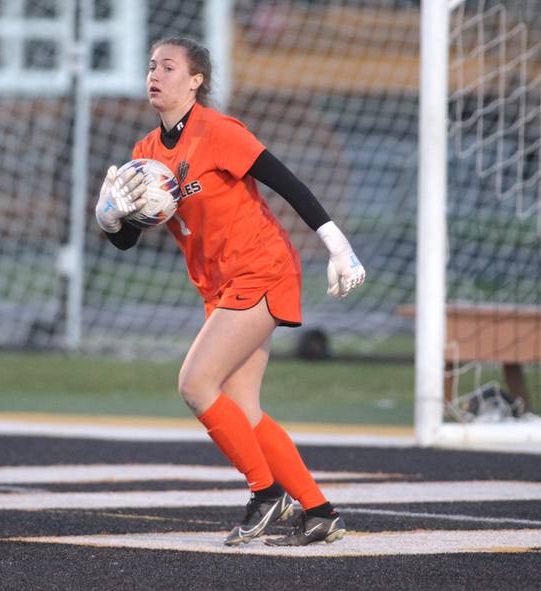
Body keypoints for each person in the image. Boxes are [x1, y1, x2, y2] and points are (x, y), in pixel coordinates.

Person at [94, 37, 365, 547]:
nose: (155, 74)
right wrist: (109, 220)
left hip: (262, 269)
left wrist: (337, 245)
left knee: (195, 383)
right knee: (244, 409)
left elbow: (286, 182)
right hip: (219, 285)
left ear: (196, 81)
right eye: (151, 65)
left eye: (169, 67)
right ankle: (319, 511)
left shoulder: (219, 131)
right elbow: (128, 240)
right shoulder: (144, 154)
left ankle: (266, 495)